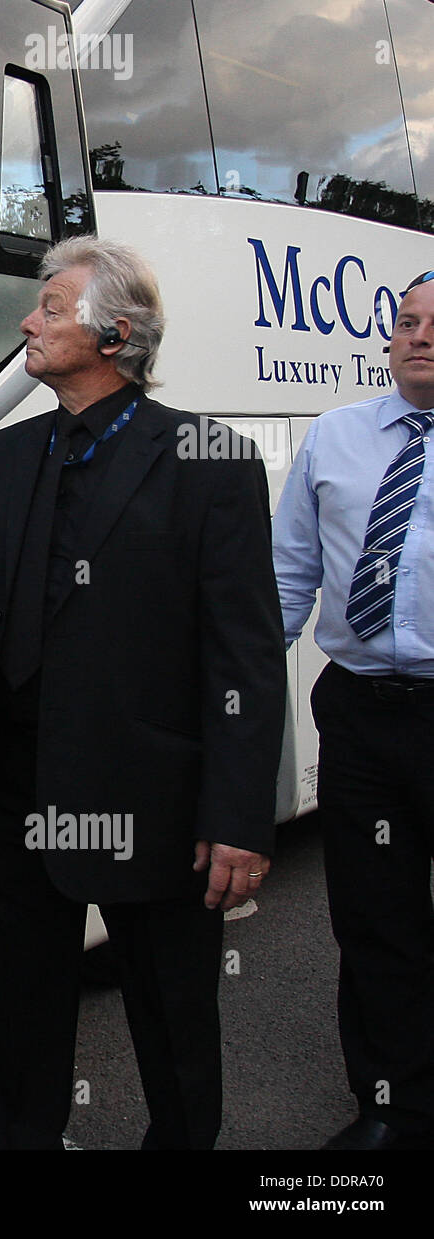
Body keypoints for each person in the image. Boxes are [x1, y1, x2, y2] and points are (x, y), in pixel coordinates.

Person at [0, 235, 286, 1150]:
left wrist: (238, 813)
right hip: (13, 789)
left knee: (171, 1012)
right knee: (28, 1001)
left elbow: (245, 654)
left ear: (114, 334)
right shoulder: (6, 457)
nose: (26, 321)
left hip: (152, 801)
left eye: (49, 307)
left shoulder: (207, 457)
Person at [273, 269, 434, 1152]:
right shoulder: (335, 438)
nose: (419, 336)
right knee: (376, 922)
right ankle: (391, 1109)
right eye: (406, 322)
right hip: (363, 715)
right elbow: (288, 574)